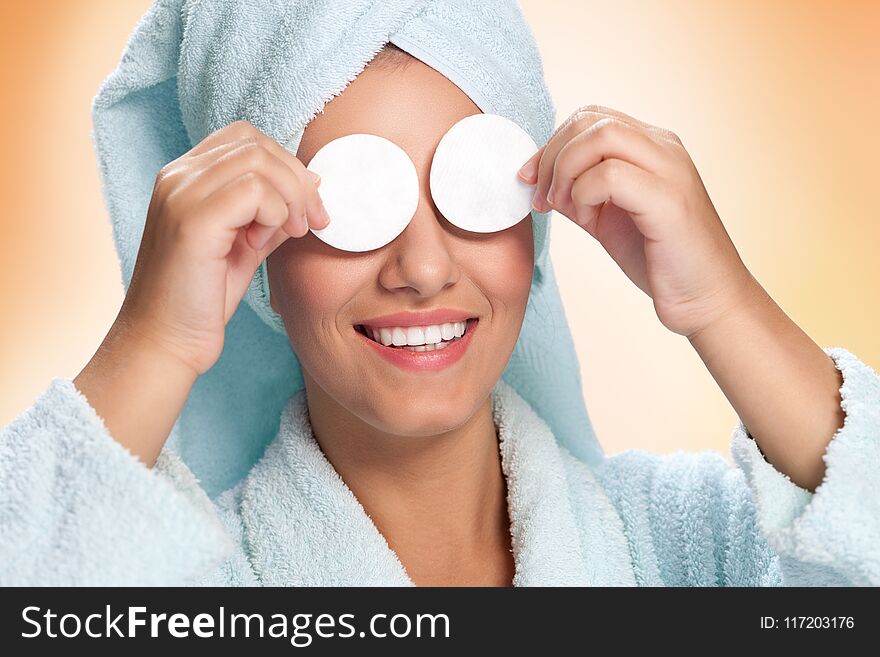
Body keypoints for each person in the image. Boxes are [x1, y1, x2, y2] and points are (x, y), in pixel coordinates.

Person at [1, 1, 878, 587]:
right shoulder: (188, 586)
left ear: (535, 219)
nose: (422, 266)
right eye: (353, 202)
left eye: (472, 188)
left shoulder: (689, 550)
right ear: (251, 251)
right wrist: (154, 342)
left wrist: (724, 304)